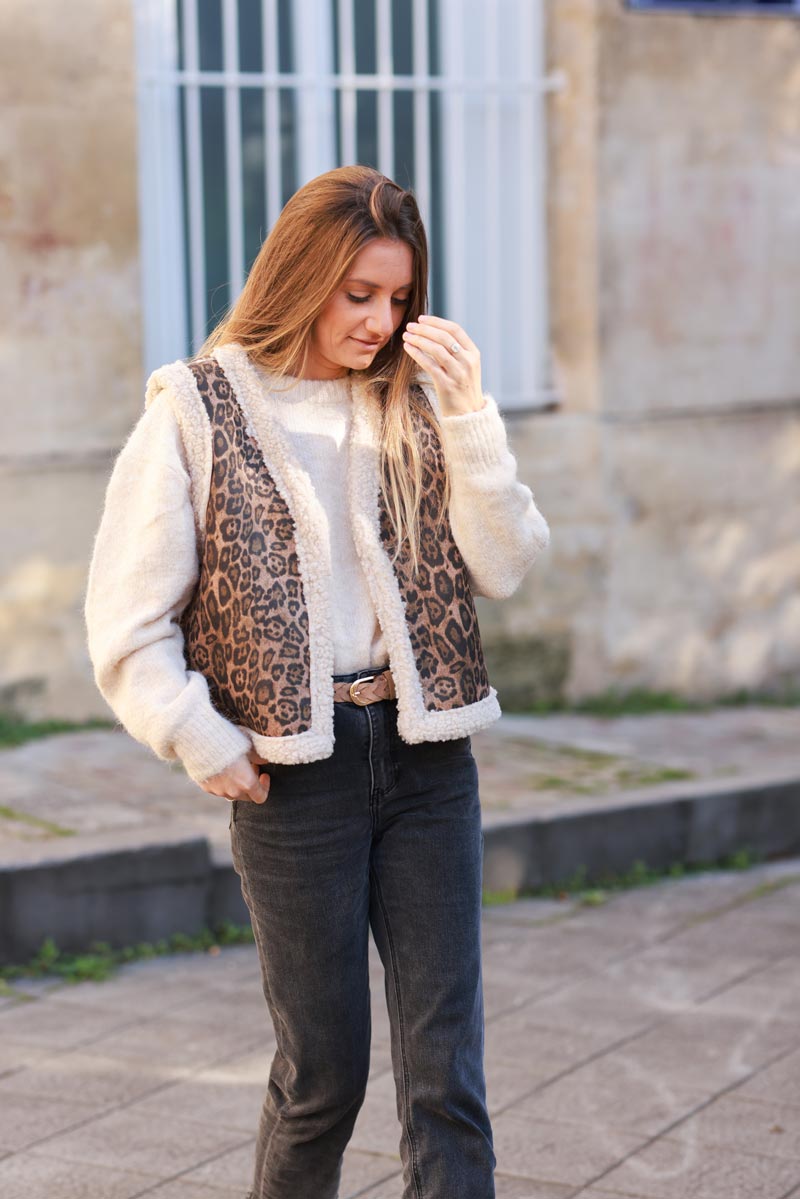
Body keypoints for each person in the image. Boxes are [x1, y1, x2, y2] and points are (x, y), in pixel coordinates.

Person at [84, 164, 550, 1199]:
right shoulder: (195, 408)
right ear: (302, 275)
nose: (381, 322)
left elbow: (506, 565)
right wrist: (199, 738)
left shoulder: (422, 401)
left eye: (399, 297)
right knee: (320, 1076)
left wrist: (471, 414)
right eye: (359, 295)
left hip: (430, 764)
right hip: (296, 781)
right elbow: (125, 623)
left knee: (445, 1079)